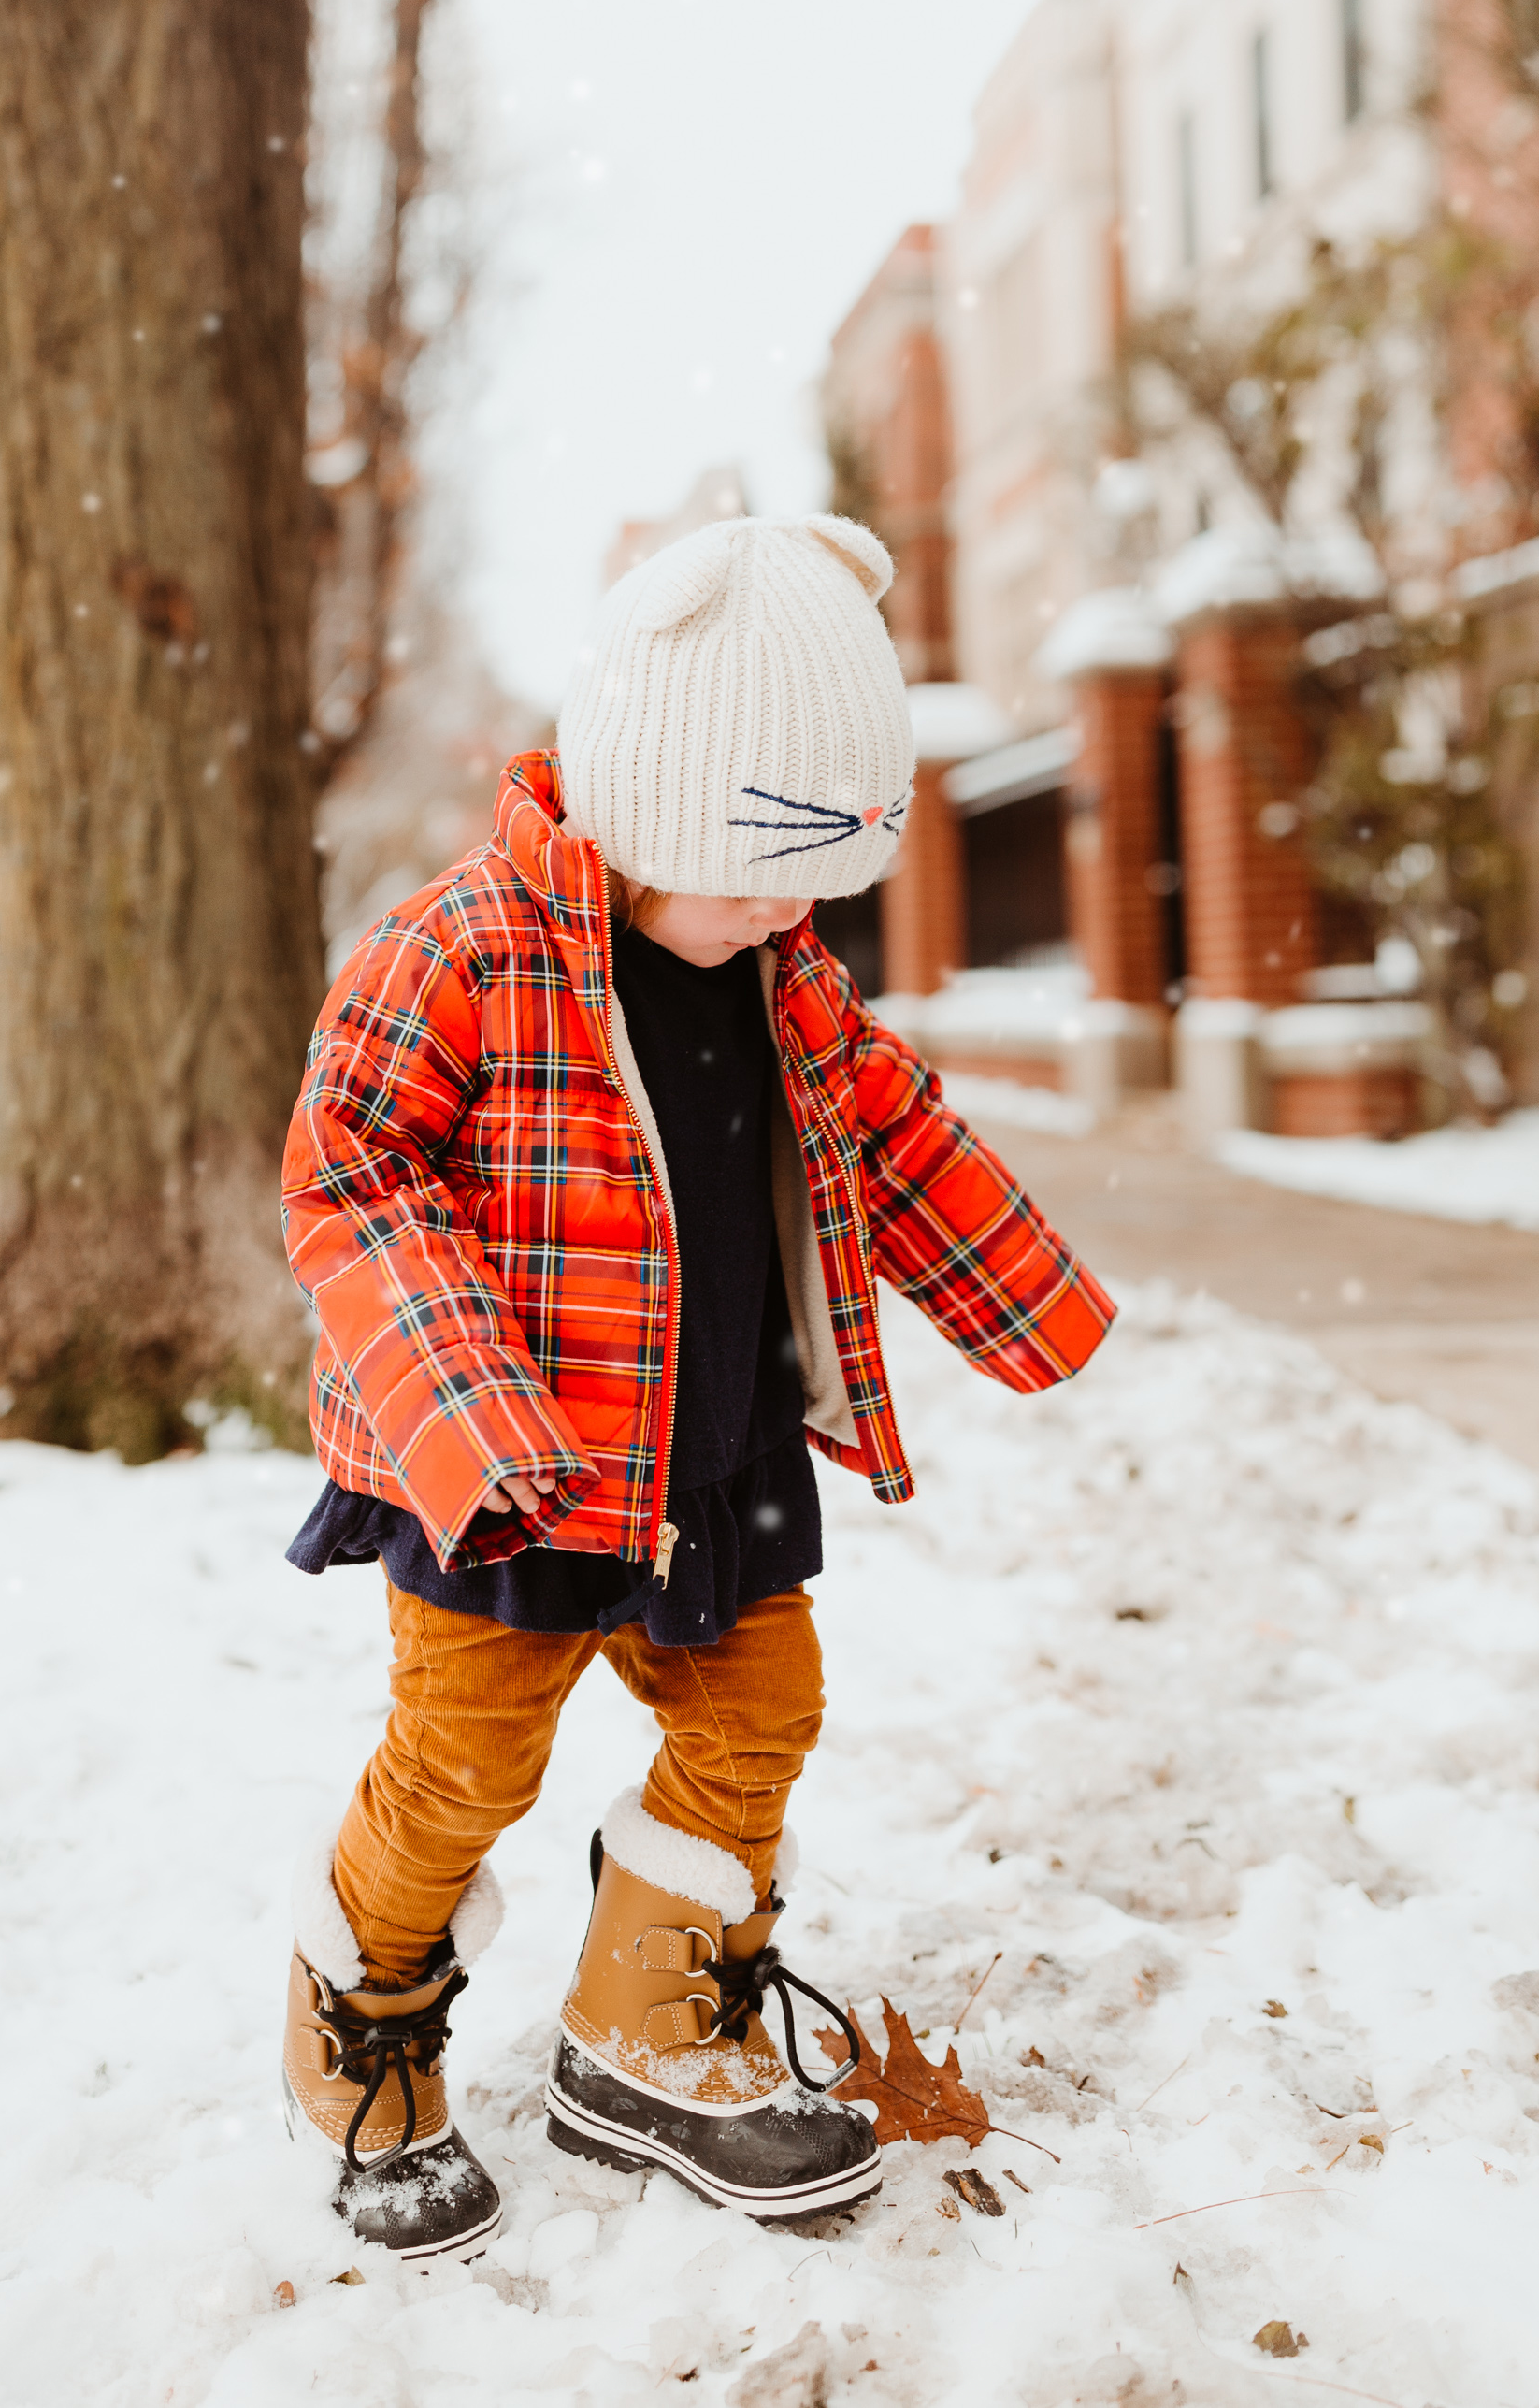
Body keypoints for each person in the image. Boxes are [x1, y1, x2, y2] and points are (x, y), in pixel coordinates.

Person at [278, 513, 1115, 2264]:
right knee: (462, 1770)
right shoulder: (466, 949)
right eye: (765, 863)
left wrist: (1031, 1301)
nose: (796, 908)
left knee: (756, 1719)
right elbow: (349, 1171)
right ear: (646, 801)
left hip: (718, 1449)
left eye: (829, 872)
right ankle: (361, 2028)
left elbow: (891, 1133)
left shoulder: (784, 974)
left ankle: (647, 2028)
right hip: (510, 1466)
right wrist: (462, 1405)